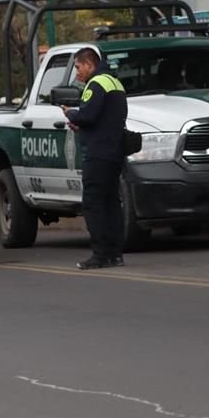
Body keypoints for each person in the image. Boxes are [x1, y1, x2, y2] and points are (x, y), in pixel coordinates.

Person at [63, 47, 129, 270]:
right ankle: (115, 254)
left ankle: (100, 255)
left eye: (78, 67)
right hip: (115, 153)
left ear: (89, 64)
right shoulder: (115, 83)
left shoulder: (96, 83)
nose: (77, 73)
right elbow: (106, 119)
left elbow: (88, 115)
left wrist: (71, 114)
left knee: (93, 204)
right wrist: (81, 124)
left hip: (98, 153)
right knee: (112, 202)